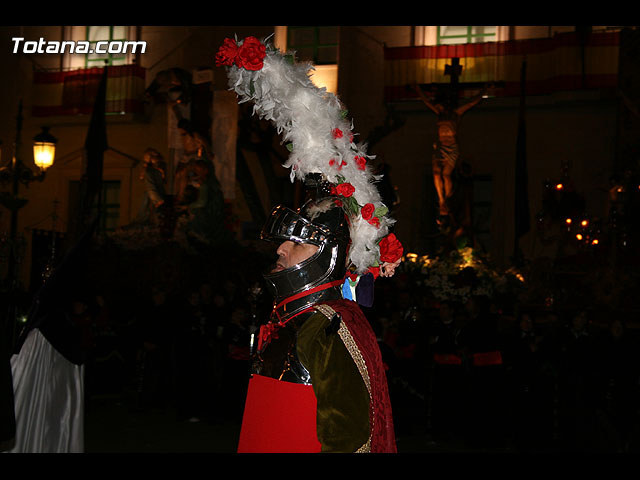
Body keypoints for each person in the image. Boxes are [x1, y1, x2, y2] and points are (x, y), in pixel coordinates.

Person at [236, 194, 397, 453]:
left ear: (329, 253)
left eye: (297, 243)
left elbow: (348, 438)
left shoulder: (328, 323)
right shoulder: (293, 320)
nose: (281, 249)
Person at [413, 85, 484, 219]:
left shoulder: (455, 114)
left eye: (440, 104)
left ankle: (447, 201)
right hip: (440, 146)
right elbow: (427, 102)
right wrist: (418, 91)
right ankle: (441, 200)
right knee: (436, 174)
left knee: (445, 175)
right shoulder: (440, 114)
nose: (439, 107)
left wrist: (483, 92)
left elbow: (471, 103)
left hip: (451, 148)